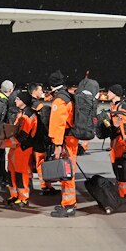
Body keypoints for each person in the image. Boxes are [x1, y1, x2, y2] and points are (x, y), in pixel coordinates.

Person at [48, 70, 79, 218]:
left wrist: (57, 145)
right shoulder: (68, 97)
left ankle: (68, 205)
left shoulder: (60, 100)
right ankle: (68, 203)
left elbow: (58, 124)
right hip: (70, 139)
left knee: (67, 173)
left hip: (65, 141)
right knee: (68, 172)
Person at [5, 92, 37, 208]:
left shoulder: (28, 115)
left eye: (17, 99)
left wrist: (6, 142)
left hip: (22, 148)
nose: (15, 101)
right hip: (16, 148)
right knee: (12, 172)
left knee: (20, 173)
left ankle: (23, 198)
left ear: (23, 101)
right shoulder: (22, 113)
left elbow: (23, 135)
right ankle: (14, 195)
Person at [28, 83, 58, 196]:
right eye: (40, 90)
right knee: (41, 163)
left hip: (29, 138)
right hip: (38, 139)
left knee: (29, 164)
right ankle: (45, 186)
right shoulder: (39, 106)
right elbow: (44, 123)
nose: (42, 92)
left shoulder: (28, 104)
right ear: (34, 91)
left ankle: (28, 185)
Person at [107, 84, 126, 198]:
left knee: (121, 167)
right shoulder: (114, 106)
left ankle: (123, 193)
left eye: (109, 92)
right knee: (116, 166)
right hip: (115, 141)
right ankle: (119, 189)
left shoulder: (122, 107)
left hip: (121, 142)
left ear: (115, 93)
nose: (107, 94)